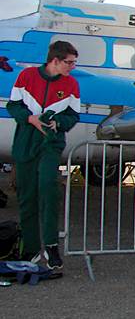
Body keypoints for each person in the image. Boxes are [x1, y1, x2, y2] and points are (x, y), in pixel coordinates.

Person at [6, 41, 82, 270]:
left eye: (74, 63)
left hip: (51, 144)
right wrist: (30, 119)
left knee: (49, 188)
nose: (72, 67)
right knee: (27, 196)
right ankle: (30, 248)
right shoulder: (26, 77)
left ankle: (51, 246)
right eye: (69, 62)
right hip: (26, 142)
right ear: (55, 60)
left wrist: (57, 122)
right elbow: (13, 106)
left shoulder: (71, 84)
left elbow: (73, 115)